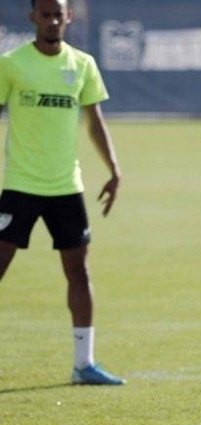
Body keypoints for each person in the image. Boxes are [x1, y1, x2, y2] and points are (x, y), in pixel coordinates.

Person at [0, 0, 124, 385]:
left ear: (69, 17)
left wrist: (113, 169)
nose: (53, 20)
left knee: (79, 272)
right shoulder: (11, 64)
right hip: (20, 185)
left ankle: (83, 364)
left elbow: (95, 122)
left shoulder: (82, 64)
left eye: (59, 14)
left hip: (66, 188)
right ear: (32, 17)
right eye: (46, 14)